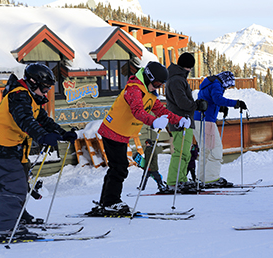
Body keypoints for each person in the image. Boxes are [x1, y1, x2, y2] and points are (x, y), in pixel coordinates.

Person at [0, 64, 77, 240]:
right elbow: (25, 120)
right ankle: (4, 228)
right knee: (16, 186)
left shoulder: (28, 96)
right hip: (2, 146)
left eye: (49, 89)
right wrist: (42, 137)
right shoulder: (19, 96)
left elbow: (42, 119)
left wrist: (63, 133)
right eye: (44, 88)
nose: (46, 92)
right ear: (33, 83)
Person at [88, 61, 190, 215]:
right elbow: (137, 111)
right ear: (148, 78)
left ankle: (107, 201)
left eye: (160, 85)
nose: (157, 87)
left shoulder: (149, 93)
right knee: (119, 168)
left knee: (118, 168)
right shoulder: (134, 89)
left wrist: (178, 119)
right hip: (112, 131)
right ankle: (110, 202)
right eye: (155, 83)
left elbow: (161, 110)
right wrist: (154, 121)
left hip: (121, 133)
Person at [193, 71, 247, 188]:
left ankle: (202, 178)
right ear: (226, 81)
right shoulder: (217, 84)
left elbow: (209, 99)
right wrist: (235, 103)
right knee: (215, 150)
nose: (227, 88)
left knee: (205, 151)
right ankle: (211, 178)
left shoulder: (208, 83)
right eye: (228, 86)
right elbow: (217, 98)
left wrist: (220, 107)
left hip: (197, 120)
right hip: (207, 121)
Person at [165, 52, 206, 190]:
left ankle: (180, 179)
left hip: (183, 120)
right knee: (181, 152)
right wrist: (196, 105)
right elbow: (182, 102)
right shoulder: (177, 80)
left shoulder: (177, 78)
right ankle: (173, 181)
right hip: (180, 120)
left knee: (185, 152)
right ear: (188, 67)